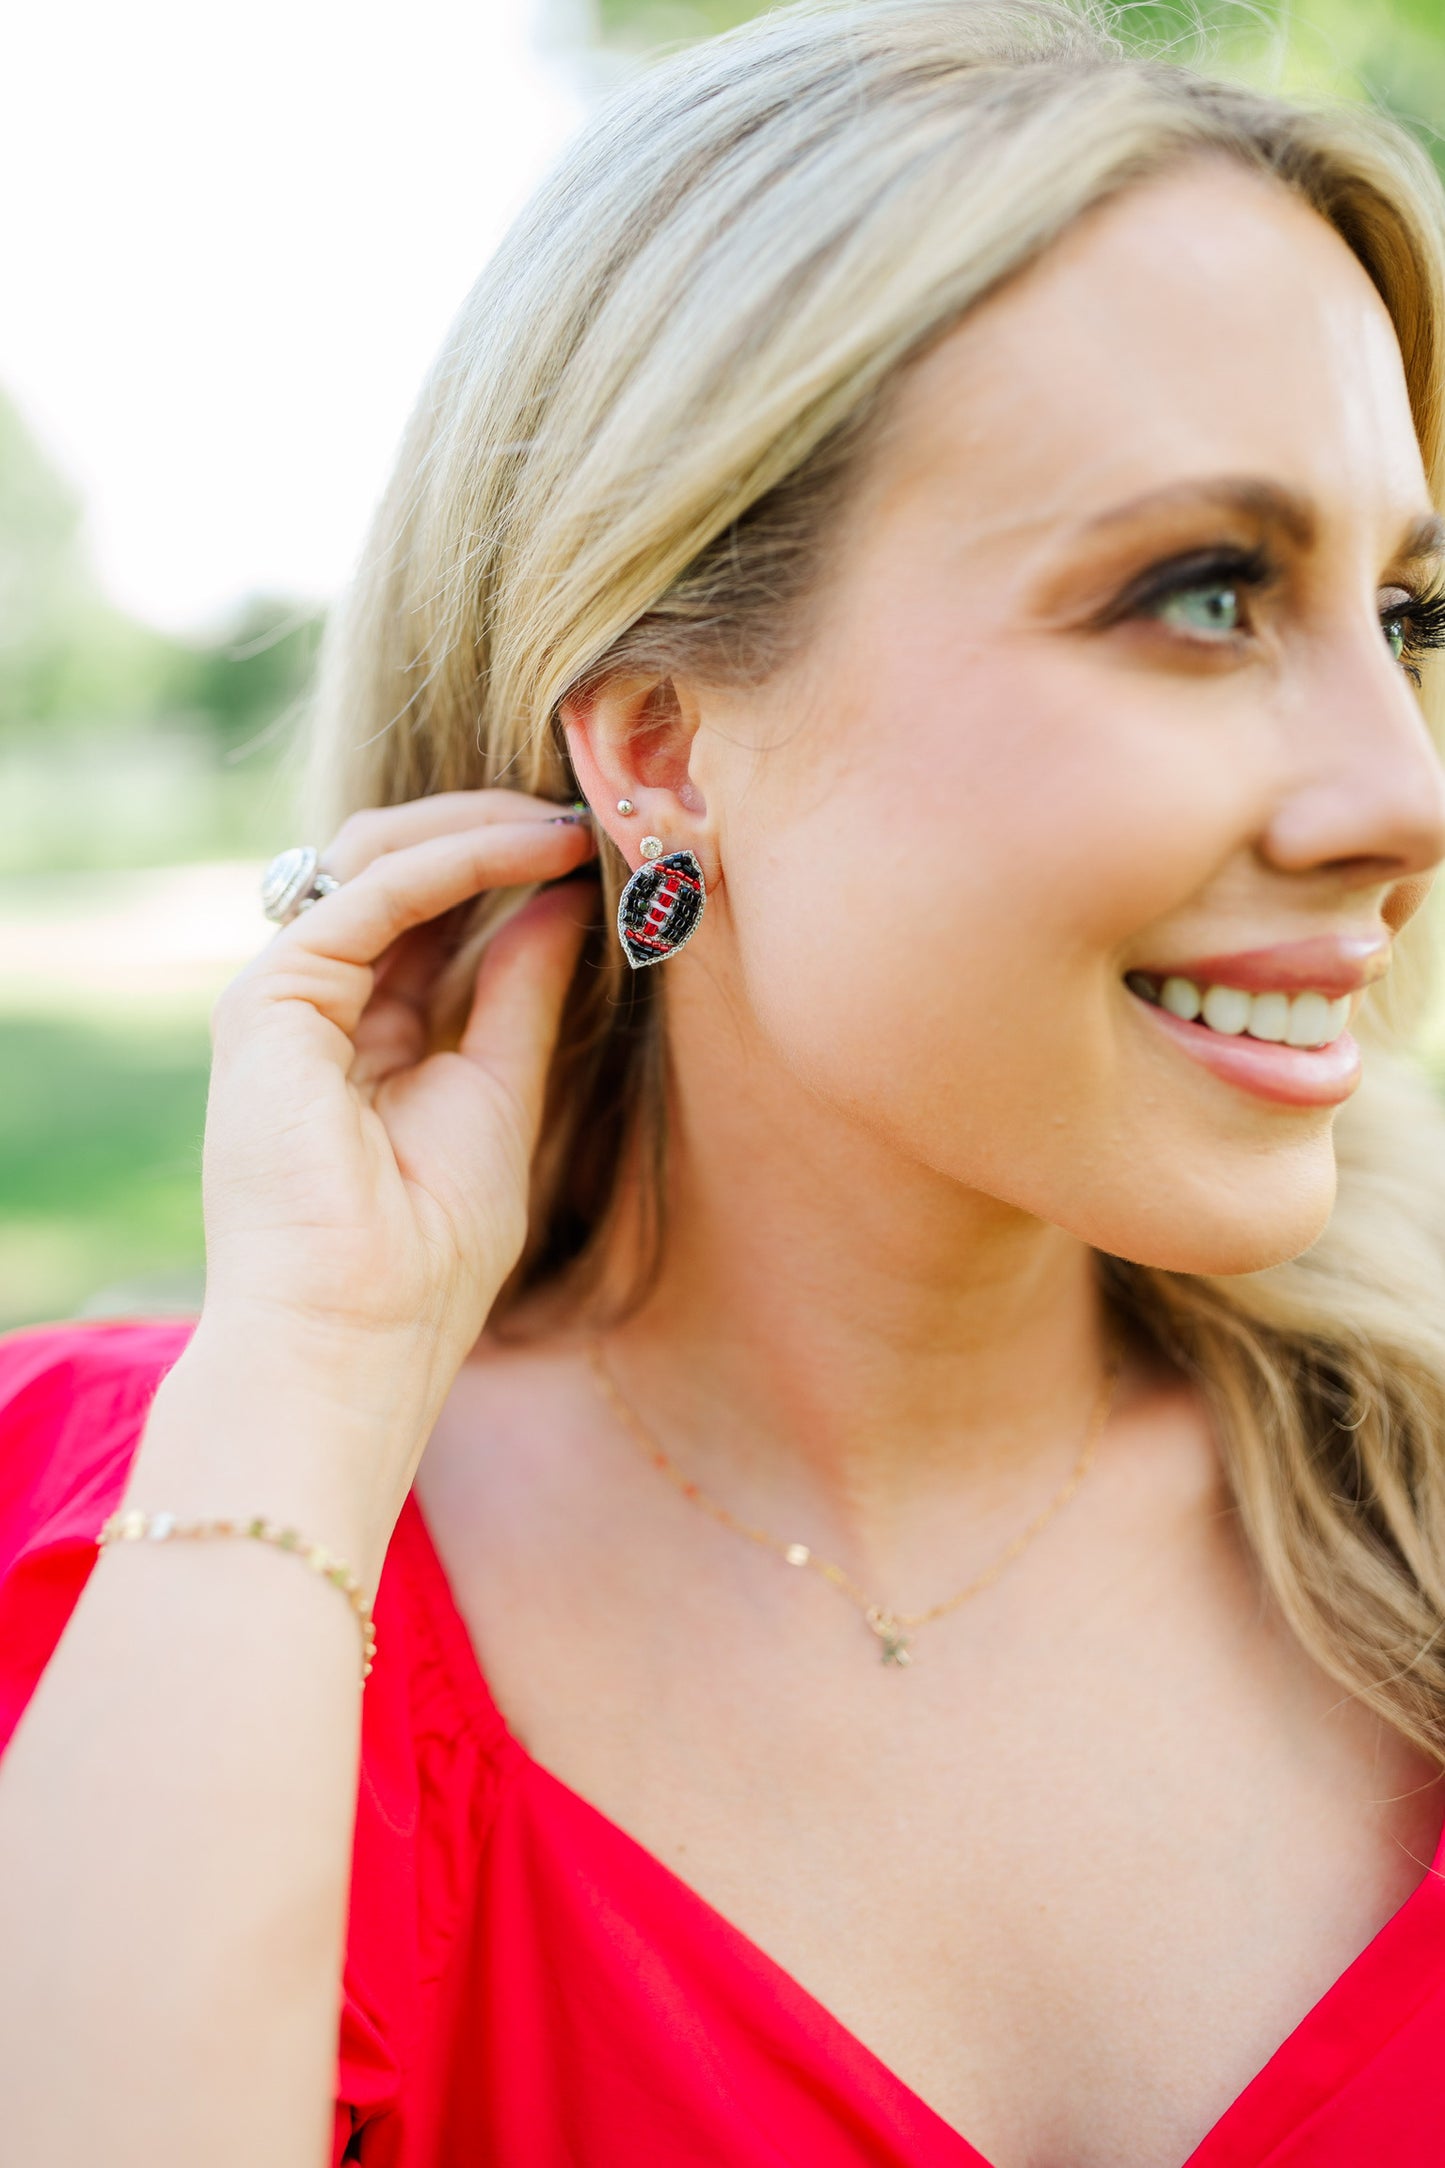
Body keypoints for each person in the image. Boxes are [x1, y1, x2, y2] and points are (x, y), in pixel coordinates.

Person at [6, 0, 1445, 2160]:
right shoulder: (163, 1536)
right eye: (1208, 593)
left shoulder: (1408, 1490)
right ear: (661, 747)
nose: (1399, 792)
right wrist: (310, 1373)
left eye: (1412, 614)